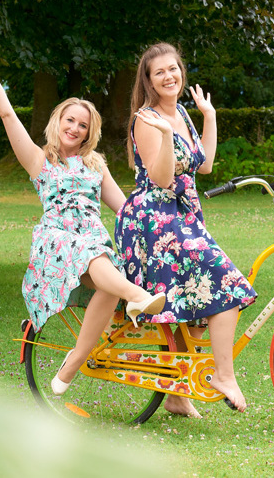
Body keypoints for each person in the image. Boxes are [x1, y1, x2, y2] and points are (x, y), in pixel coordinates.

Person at [0, 33, 165, 395]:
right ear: (57, 121)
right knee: (99, 258)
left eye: (83, 125)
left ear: (90, 132)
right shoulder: (38, 160)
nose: (74, 128)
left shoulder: (94, 164)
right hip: (58, 243)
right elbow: (7, 114)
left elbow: (125, 209)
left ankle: (71, 365)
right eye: (69, 120)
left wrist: (166, 210)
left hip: (92, 244)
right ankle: (137, 296)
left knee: (108, 273)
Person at [114, 42, 257, 414]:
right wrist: (163, 136)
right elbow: (161, 179)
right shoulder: (145, 119)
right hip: (154, 219)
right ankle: (224, 374)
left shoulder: (182, 112)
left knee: (189, 307)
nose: (168, 76)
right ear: (148, 80)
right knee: (228, 285)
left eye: (173, 69)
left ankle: (176, 396)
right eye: (159, 72)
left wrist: (208, 115)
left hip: (183, 214)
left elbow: (204, 165)